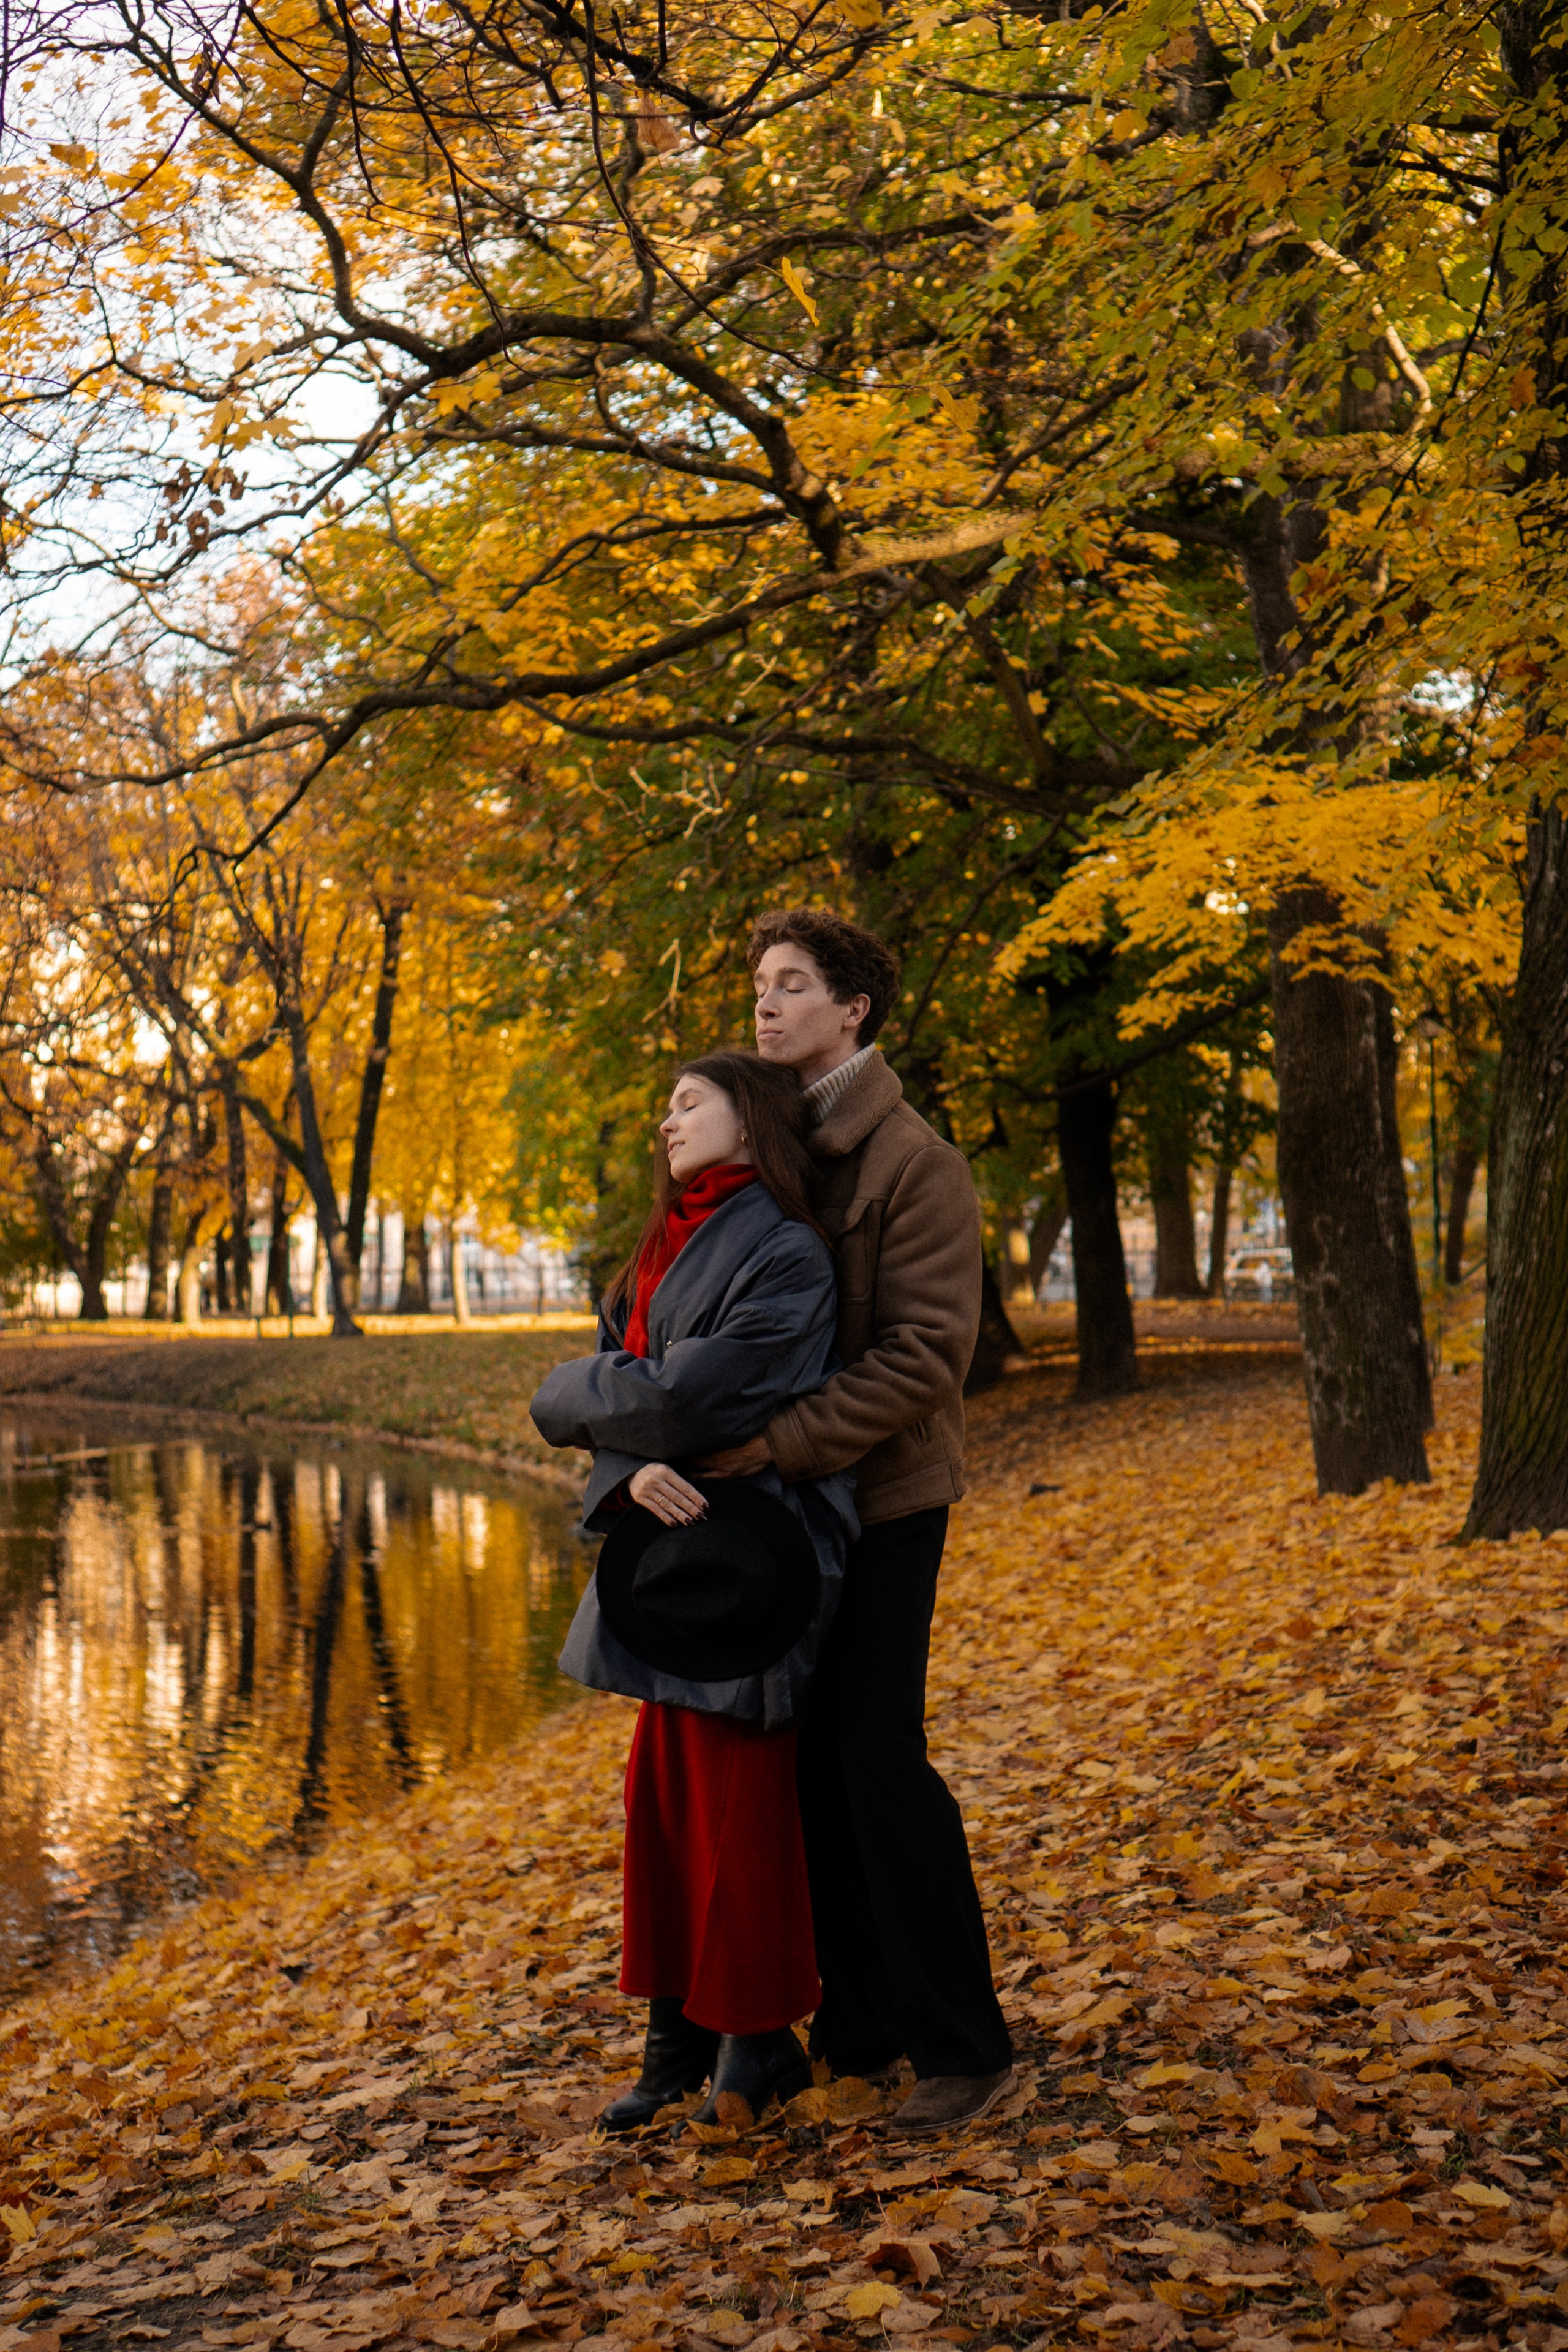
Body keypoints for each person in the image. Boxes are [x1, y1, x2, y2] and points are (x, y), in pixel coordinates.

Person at [697, 908, 1015, 2135]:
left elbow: (925, 1360)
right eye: (757, 985)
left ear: (852, 1011)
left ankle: (965, 2046)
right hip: (785, 1514)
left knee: (878, 1761)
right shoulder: (773, 1149)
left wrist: (773, 1441)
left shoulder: (912, 1164)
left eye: (787, 987)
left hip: (882, 1502)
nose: (764, 1006)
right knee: (815, 1773)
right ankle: (863, 2028)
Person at [530, 1052, 857, 2132]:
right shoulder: (654, 1250)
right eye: (664, 1104)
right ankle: (673, 2038)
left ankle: (752, 2038)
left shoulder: (788, 1251)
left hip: (751, 1561)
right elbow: (616, 1408)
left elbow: (688, 1398)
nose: (666, 1123)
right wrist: (624, 1465)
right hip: (665, 1548)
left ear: (752, 1121)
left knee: (741, 1806)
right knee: (662, 1804)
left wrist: (595, 1409)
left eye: (688, 1104)